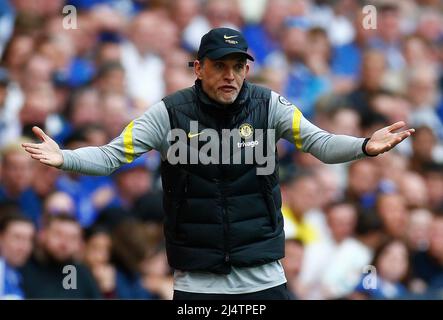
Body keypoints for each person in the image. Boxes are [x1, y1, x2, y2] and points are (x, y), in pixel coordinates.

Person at [22, 27, 415, 300]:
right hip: (198, 281)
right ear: (198, 68)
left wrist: (364, 145)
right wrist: (65, 157)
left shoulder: (270, 105)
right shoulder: (169, 113)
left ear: (248, 68)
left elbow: (322, 144)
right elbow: (111, 155)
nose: (230, 75)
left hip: (263, 275)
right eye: (219, 66)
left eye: (238, 66)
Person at [0, 210, 35, 299]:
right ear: (1, 238)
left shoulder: (19, 274)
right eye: (17, 238)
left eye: (29, 239)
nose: (24, 247)